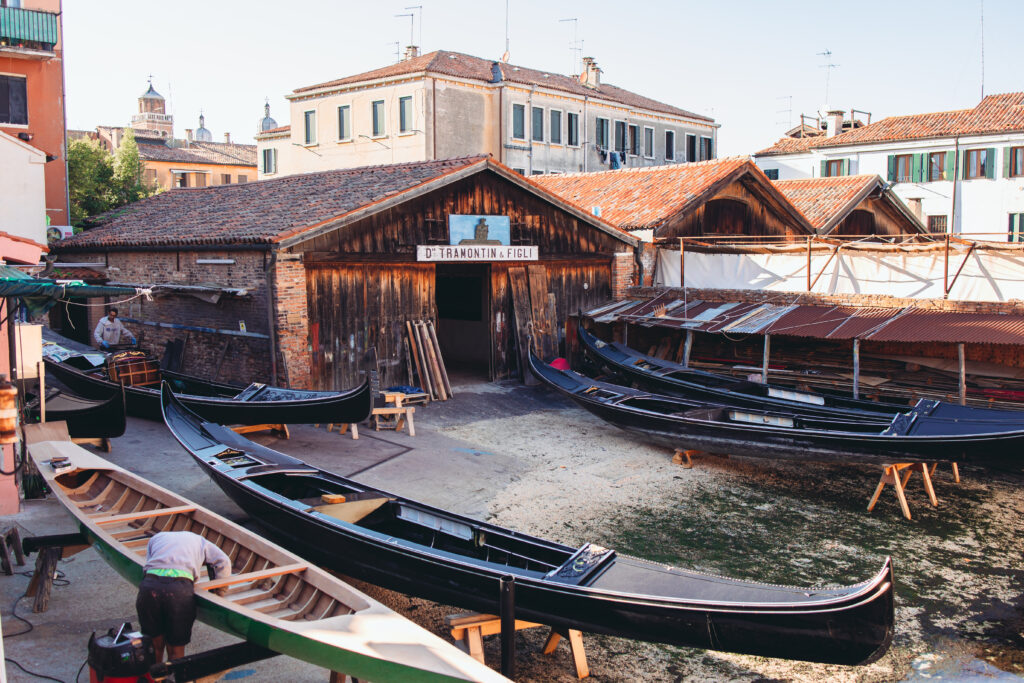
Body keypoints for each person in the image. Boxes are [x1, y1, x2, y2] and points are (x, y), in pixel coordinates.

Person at [136, 530, 232, 663]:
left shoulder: (156, 538)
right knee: (176, 652)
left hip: (150, 587)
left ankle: (154, 678)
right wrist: (219, 591)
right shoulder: (201, 541)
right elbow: (223, 561)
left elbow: (148, 564)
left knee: (154, 647)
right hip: (179, 591)